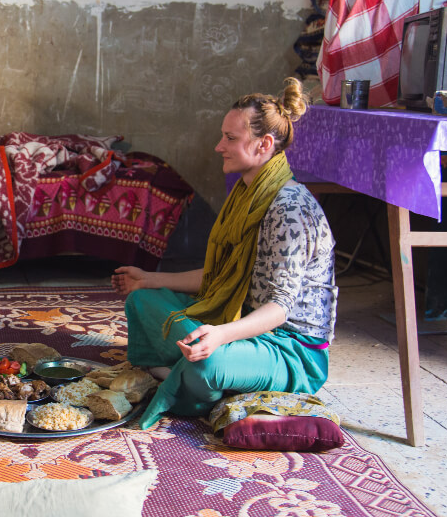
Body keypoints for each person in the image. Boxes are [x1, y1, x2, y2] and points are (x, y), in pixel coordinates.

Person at [112, 78, 338, 429]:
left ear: (263, 145)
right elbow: (219, 276)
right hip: (240, 322)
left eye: (230, 138)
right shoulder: (245, 194)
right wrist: (150, 278)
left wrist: (220, 335)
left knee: (208, 364)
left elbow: (279, 309)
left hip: (289, 349)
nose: (219, 146)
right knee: (142, 301)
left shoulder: (289, 209)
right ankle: (196, 374)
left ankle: (191, 378)